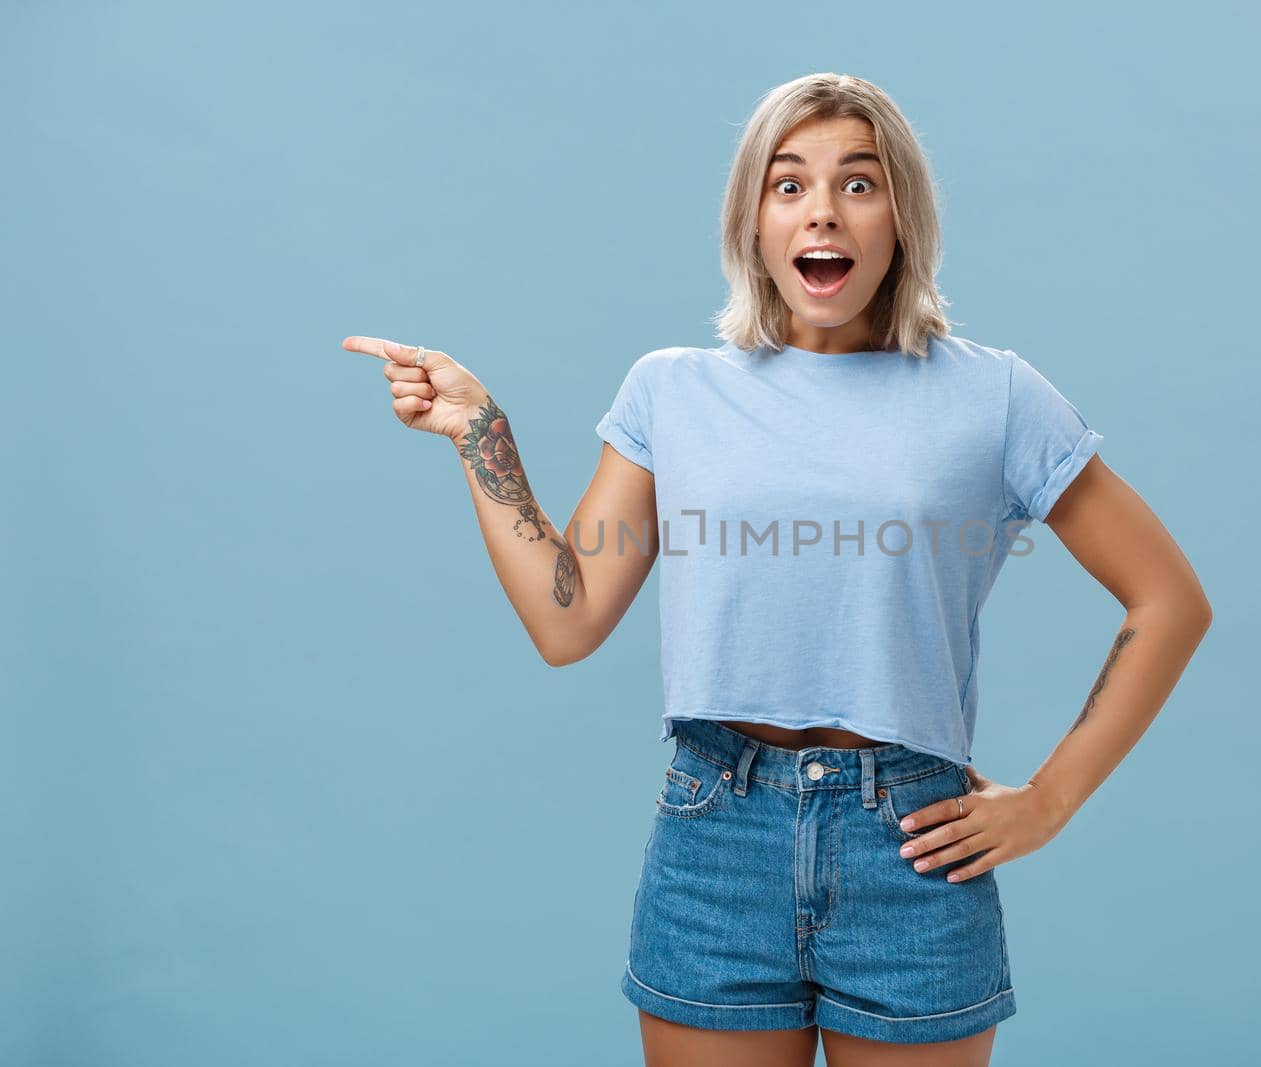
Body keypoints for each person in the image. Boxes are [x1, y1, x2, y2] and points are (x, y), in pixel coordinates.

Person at [342, 72, 1211, 1067]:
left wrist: (1049, 799)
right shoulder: (673, 391)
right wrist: (479, 434)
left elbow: (1169, 599)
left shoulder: (995, 395)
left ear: (901, 216)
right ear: (752, 220)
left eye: (859, 182)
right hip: (715, 836)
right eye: (787, 184)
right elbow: (565, 619)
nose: (821, 211)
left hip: (911, 844)